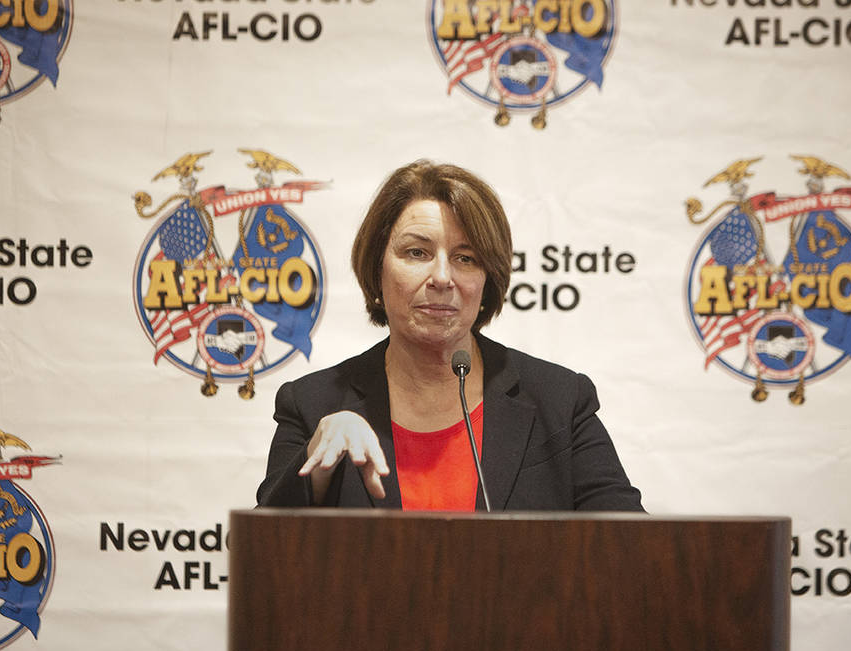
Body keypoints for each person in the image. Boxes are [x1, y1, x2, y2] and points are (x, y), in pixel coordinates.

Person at [257, 160, 643, 512]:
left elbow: (633, 550)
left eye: (466, 258)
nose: (442, 278)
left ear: (487, 280)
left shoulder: (558, 401)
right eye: (417, 252)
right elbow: (260, 566)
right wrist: (318, 468)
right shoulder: (312, 405)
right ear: (377, 271)